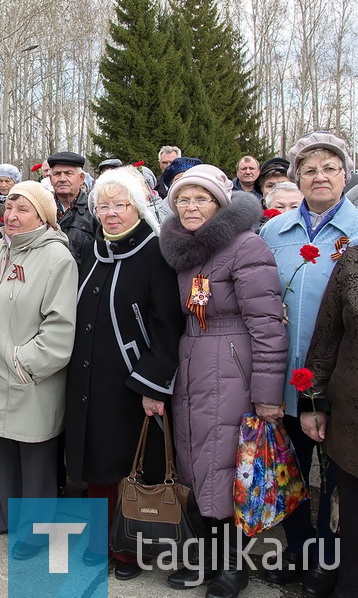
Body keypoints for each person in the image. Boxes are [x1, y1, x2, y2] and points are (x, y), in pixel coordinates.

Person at [159, 165, 288, 596]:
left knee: (230, 465)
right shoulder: (184, 252)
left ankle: (233, 565)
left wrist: (268, 396)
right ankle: (206, 556)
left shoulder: (246, 246)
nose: (190, 207)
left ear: (220, 204)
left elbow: (268, 325)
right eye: (183, 199)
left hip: (234, 365)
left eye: (201, 198)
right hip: (193, 361)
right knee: (198, 463)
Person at [64, 168, 184, 580]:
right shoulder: (93, 250)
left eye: (120, 205)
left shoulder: (155, 252)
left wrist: (154, 385)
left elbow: (168, 325)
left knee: (131, 468)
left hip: (131, 385)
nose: (111, 213)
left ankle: (131, 550)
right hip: (89, 380)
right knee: (97, 466)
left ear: (137, 206)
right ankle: (100, 542)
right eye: (104, 205)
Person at [259, 131, 358, 597]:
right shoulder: (274, 232)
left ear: (345, 175)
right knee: (291, 473)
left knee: (338, 481)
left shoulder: (356, 234)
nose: (320, 177)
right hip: (284, 380)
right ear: (297, 178)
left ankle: (329, 560)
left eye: (330, 169)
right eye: (310, 170)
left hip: (341, 385)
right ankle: (298, 554)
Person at [0, 180, 77, 559]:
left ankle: (38, 528)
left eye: (22, 210)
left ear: (42, 217)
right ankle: (8, 513)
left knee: (35, 459)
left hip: (29, 377)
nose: (10, 216)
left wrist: (23, 363)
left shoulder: (56, 259)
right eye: (8, 208)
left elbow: (60, 327)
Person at [300, 245, 358, 598]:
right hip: (352, 417)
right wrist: (313, 401)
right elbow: (326, 336)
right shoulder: (352, 261)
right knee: (353, 516)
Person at [48, 151, 96, 264]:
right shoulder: (41, 208)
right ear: (50, 179)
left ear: (81, 178)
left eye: (68, 173)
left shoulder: (94, 210)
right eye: (57, 174)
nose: (62, 179)